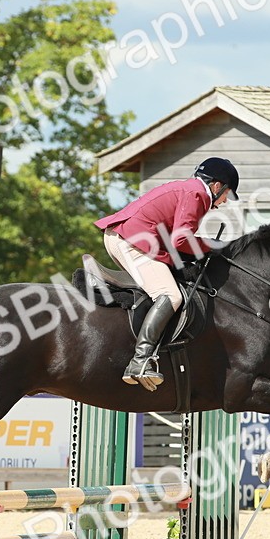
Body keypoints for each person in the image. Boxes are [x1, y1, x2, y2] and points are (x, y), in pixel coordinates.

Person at [94, 157, 239, 389]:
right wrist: (212, 245)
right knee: (171, 296)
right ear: (216, 185)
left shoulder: (190, 190)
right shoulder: (197, 194)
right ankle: (139, 360)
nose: (223, 202)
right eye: (226, 195)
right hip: (131, 239)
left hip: (128, 236)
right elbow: (181, 239)